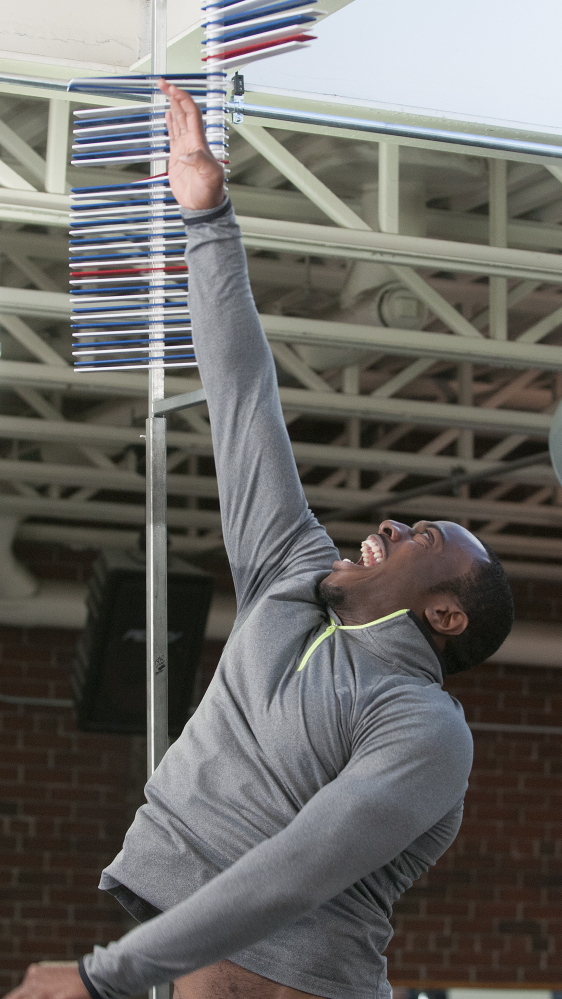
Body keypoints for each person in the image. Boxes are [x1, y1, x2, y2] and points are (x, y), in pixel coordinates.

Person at [7, 83, 514, 999]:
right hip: (174, 962)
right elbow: (244, 397)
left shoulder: (425, 726)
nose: (392, 523)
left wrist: (105, 977)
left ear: (446, 610)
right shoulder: (289, 567)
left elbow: (297, 868)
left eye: (428, 536)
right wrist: (208, 215)